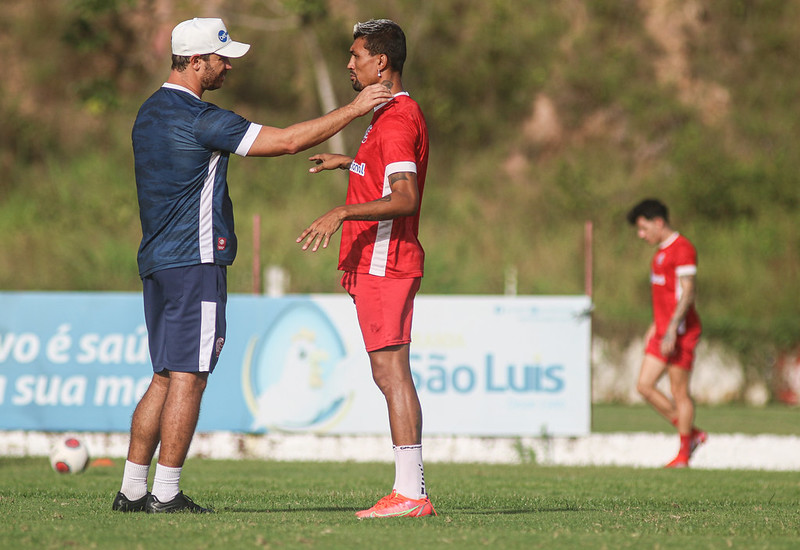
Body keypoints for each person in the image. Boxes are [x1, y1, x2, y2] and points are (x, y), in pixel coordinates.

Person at [112, 17, 392, 514]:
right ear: (195, 62)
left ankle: (133, 490)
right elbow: (285, 142)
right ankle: (167, 493)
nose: (228, 66)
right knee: (190, 377)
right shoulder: (201, 118)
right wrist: (354, 109)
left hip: (156, 262)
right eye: (221, 59)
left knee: (163, 375)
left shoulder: (148, 112)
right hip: (195, 261)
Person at [297, 19, 435, 518]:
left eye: (356, 55)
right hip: (380, 263)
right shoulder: (387, 116)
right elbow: (384, 175)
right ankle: (410, 491)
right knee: (389, 373)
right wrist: (347, 165)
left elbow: (404, 197)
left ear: (382, 63)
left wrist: (342, 212)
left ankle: (411, 494)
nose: (349, 64)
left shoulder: (396, 120)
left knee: (393, 374)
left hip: (386, 262)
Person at [627, 199, 707, 468]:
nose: (641, 234)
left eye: (643, 227)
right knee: (644, 385)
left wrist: (672, 328)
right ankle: (692, 433)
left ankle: (684, 455)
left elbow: (688, 292)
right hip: (662, 331)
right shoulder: (659, 254)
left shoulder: (682, 248)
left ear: (658, 222)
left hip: (680, 332)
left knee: (679, 392)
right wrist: (655, 326)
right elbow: (664, 297)